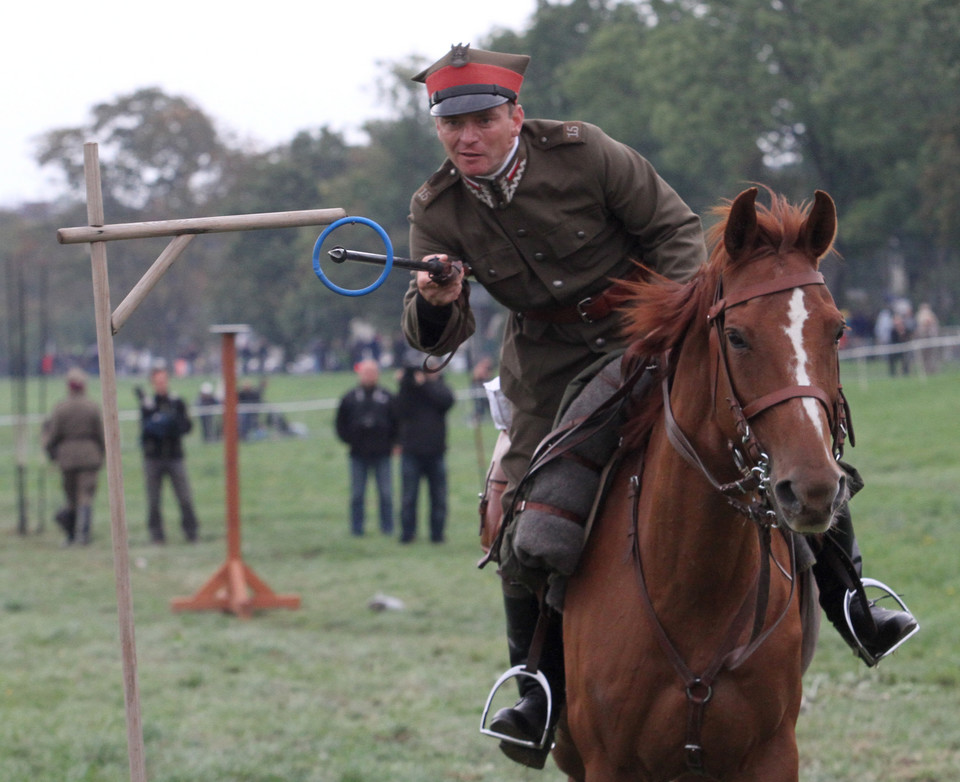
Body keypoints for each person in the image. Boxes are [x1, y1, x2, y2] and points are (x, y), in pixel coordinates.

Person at [402, 43, 917, 769]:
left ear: (515, 114)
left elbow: (676, 231)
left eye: (483, 119)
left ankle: (853, 599)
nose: (468, 137)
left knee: (786, 437)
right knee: (519, 517)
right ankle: (535, 685)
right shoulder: (436, 208)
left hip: (651, 331)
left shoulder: (588, 154)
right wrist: (439, 298)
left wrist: (676, 322)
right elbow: (439, 336)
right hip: (547, 375)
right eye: (452, 126)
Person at [136, 364, 200, 544]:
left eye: (163, 381)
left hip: (174, 456)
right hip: (153, 458)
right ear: (152, 383)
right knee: (153, 499)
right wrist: (164, 424)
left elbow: (186, 427)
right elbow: (146, 430)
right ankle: (156, 535)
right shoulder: (148, 404)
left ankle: (191, 532)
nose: (161, 384)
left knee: (185, 496)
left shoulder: (177, 402)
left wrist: (166, 423)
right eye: (157, 382)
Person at [42, 368, 105, 546]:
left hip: (67, 458)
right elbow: (101, 434)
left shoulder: (61, 408)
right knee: (85, 496)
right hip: (89, 456)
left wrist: (48, 449)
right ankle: (83, 535)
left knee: (71, 498)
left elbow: (53, 435)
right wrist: (102, 452)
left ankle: (71, 534)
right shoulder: (92, 406)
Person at [335, 359, 398, 536]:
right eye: (366, 372)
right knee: (357, 495)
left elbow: (397, 422)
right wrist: (350, 440)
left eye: (372, 372)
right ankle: (357, 529)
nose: (369, 376)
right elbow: (340, 424)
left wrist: (394, 443)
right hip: (358, 453)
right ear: (359, 374)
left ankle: (388, 528)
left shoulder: (387, 397)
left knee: (386, 494)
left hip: (383, 453)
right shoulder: (350, 398)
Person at [394, 366, 455, 543]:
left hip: (436, 452)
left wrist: (425, 385)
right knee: (409, 497)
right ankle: (407, 534)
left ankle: (437, 534)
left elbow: (446, 402)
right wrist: (406, 384)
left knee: (439, 497)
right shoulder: (409, 390)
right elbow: (398, 410)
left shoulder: (440, 387)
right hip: (411, 451)